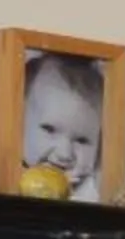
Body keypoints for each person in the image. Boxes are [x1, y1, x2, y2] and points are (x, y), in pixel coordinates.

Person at [20, 52, 104, 201]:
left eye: (82, 140)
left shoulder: (93, 192)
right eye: (49, 129)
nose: (65, 154)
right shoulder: (7, 176)